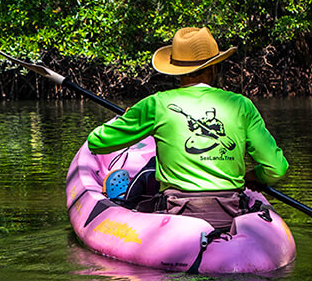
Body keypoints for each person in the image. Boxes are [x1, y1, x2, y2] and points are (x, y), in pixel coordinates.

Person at [86, 26, 288, 230]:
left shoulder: (156, 104)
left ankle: (122, 198)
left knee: (148, 174)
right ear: (213, 67)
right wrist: (252, 177)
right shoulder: (241, 105)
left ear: (177, 71)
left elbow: (97, 142)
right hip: (232, 210)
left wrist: (130, 117)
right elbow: (277, 168)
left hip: (177, 212)